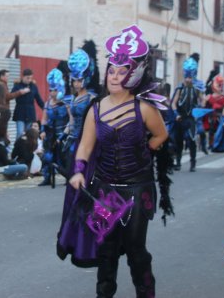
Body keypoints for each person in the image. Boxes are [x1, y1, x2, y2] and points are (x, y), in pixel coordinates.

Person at [57, 25, 172, 298]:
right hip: (105, 190)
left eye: (122, 72)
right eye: (111, 70)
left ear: (133, 76)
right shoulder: (95, 108)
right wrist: (79, 171)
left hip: (137, 188)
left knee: (135, 249)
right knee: (106, 251)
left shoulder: (144, 107)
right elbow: (85, 145)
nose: (114, 76)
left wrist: (145, 152)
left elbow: (160, 135)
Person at [64, 43, 98, 175]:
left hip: (87, 138)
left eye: (79, 80)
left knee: (86, 171)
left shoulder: (91, 98)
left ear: (85, 79)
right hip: (74, 138)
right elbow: (71, 120)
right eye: (74, 81)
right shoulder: (72, 99)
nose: (76, 84)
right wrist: (64, 135)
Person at [171, 53, 204, 171]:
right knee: (178, 141)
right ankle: (178, 162)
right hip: (180, 118)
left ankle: (193, 163)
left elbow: (202, 101)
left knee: (192, 141)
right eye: (187, 77)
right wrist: (176, 114)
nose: (188, 80)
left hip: (191, 119)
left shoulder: (197, 89)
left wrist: (199, 110)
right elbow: (174, 103)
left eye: (190, 77)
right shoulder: (180, 88)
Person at [39, 68, 71, 186]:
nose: (52, 92)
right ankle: (47, 178)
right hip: (51, 134)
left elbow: (71, 120)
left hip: (64, 133)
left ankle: (68, 178)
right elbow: (44, 118)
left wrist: (64, 135)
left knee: (64, 158)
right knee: (47, 157)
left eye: (55, 90)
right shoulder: (48, 103)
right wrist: (42, 130)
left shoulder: (67, 102)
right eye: (50, 90)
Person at [11, 68, 44, 138]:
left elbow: (38, 99)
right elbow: (12, 95)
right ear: (23, 77)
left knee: (29, 134)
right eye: (27, 78)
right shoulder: (17, 85)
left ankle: (28, 148)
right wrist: (21, 92)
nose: (29, 80)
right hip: (20, 112)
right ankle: (18, 148)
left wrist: (45, 108)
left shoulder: (33, 86)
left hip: (30, 113)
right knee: (20, 133)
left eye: (31, 78)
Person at [203, 74, 224, 149]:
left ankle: (219, 143)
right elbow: (203, 106)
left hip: (221, 116)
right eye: (218, 84)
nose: (220, 86)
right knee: (212, 131)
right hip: (212, 116)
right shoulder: (209, 97)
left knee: (220, 131)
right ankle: (211, 144)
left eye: (221, 85)